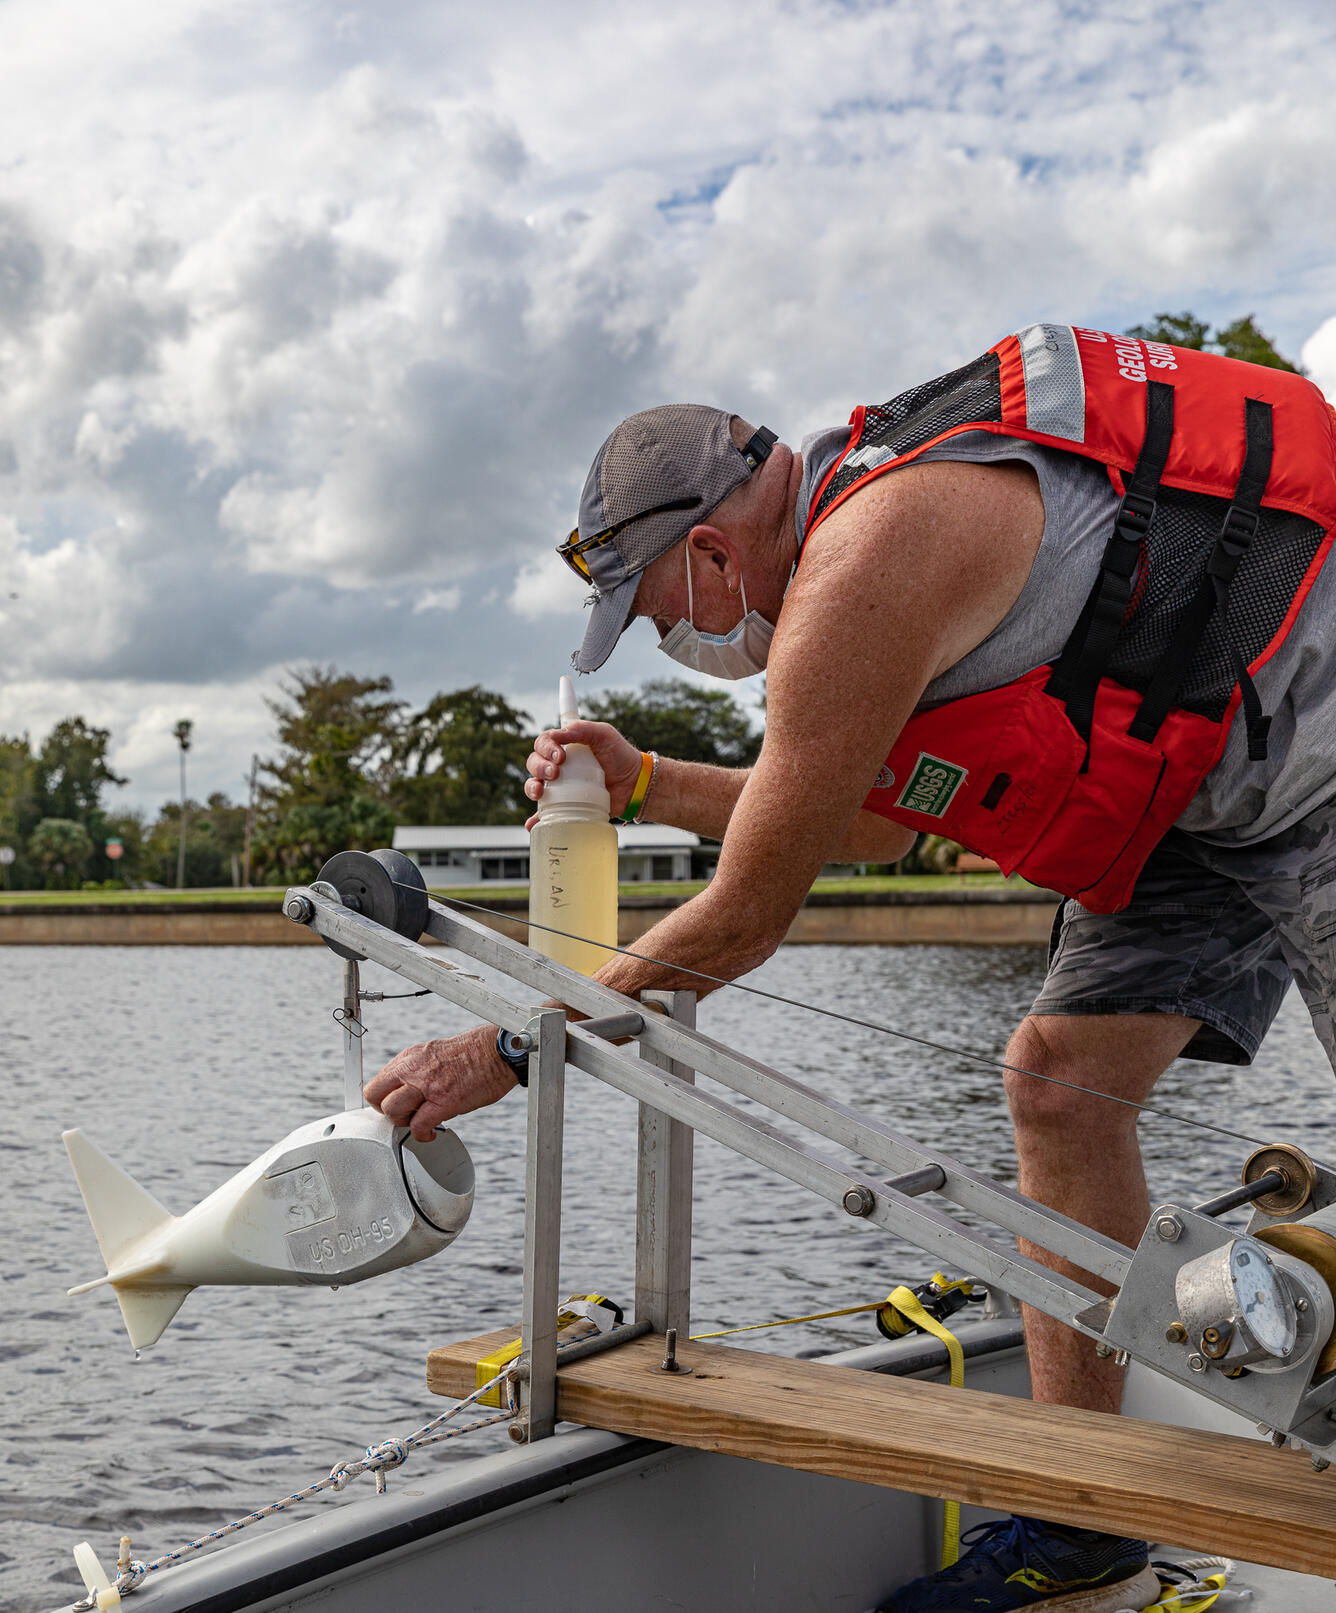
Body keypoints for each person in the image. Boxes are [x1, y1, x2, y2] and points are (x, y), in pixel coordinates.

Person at [366, 325, 1336, 1613]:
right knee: (1054, 1081)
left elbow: (743, 915)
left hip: (1316, 752)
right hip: (1195, 795)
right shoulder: (855, 542)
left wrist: (497, 1049)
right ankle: (1084, 1517)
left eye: (661, 614)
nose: (680, 640)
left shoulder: (865, 560)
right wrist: (648, 782)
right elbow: (872, 819)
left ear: (711, 552)